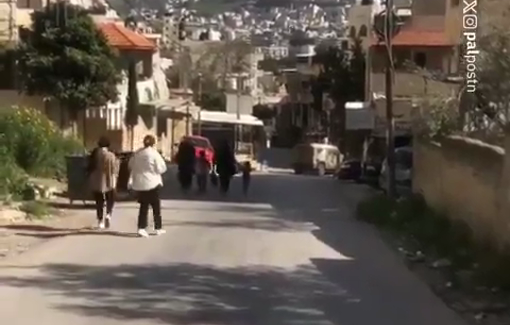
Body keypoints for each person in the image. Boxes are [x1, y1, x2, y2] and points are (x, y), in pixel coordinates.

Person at [128, 135, 167, 237]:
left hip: (141, 183)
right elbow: (161, 168)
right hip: (153, 182)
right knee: (156, 206)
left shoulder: (137, 153)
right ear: (153, 143)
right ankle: (158, 227)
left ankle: (141, 227)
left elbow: (130, 165)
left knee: (143, 206)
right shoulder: (154, 154)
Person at [87, 136, 119, 229]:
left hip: (96, 181)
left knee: (99, 202)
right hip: (110, 180)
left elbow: (89, 167)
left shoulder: (94, 154)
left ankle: (100, 220)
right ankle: (108, 214)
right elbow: (115, 169)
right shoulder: (111, 155)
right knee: (111, 199)